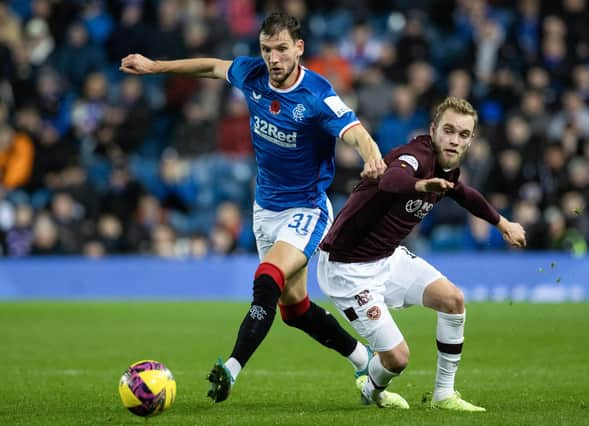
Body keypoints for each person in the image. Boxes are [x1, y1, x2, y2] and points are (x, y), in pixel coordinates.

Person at [119, 12, 408, 407]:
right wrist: (155, 67)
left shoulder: (317, 95)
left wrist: (373, 158)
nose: (273, 58)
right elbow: (211, 66)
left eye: (282, 49)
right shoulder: (251, 74)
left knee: (267, 278)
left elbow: (356, 132)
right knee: (295, 310)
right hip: (265, 209)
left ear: (299, 49)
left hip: (306, 209)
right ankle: (364, 360)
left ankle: (232, 368)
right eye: (267, 49)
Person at [317, 96, 527, 410]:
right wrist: (421, 186)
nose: (455, 140)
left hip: (387, 257)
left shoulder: (448, 170)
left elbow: (464, 195)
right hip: (347, 268)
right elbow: (391, 179)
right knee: (397, 360)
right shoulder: (415, 156)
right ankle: (371, 389)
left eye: (464, 135)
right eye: (449, 131)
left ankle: (444, 395)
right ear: (433, 130)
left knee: (453, 300)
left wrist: (502, 223)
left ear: (471, 140)